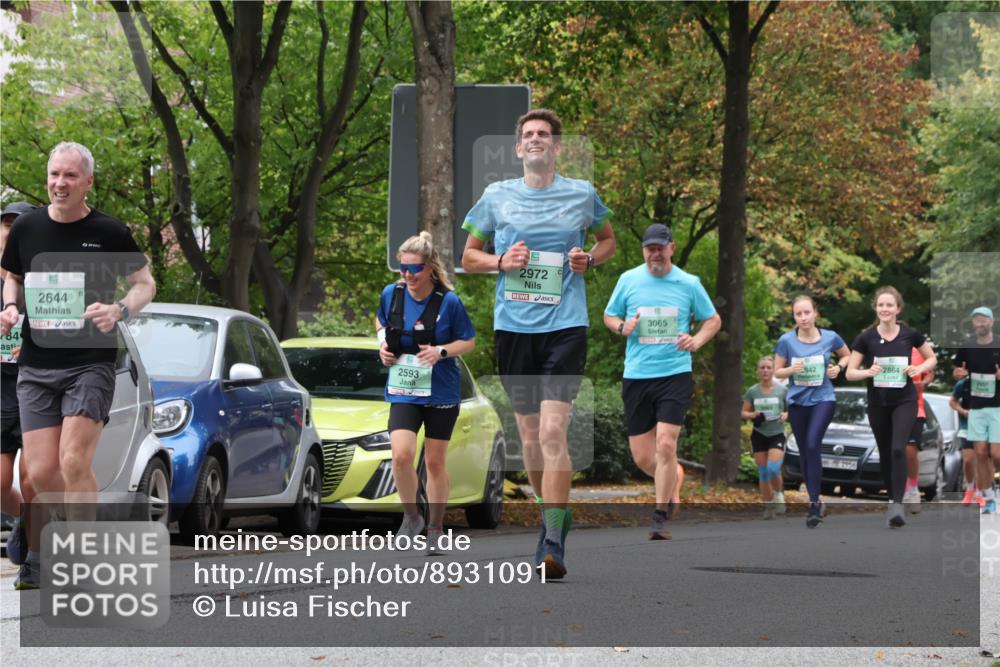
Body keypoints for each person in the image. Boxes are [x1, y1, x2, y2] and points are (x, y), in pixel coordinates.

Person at [461, 108, 615, 578]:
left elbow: (606, 241)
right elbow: (468, 256)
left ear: (557, 146)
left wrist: (589, 257)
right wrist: (501, 261)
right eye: (528, 134)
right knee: (529, 437)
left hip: (565, 327)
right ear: (517, 148)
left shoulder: (581, 194)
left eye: (543, 134)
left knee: (552, 433)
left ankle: (552, 540)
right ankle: (551, 513)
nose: (535, 140)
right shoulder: (496, 196)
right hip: (514, 329)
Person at [0, 142, 156, 589]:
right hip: (36, 365)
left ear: (88, 181)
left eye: (69, 176)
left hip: (89, 363)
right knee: (42, 472)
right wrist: (10, 307)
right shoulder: (28, 228)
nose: (59, 183)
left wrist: (120, 310)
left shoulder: (108, 232)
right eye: (53, 174)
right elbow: (13, 275)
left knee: (72, 461)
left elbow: (145, 284)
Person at [603, 223, 720, 540]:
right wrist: (621, 327)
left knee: (666, 444)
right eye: (649, 248)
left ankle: (659, 517)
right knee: (642, 457)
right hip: (637, 375)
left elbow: (713, 319)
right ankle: (674, 476)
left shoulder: (688, 283)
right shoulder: (628, 280)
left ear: (671, 247)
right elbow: (609, 316)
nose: (655, 253)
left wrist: (696, 341)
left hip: (675, 373)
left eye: (660, 247)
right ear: (644, 251)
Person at [377, 231, 475, 554]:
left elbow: (468, 342)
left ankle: (435, 526)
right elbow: (381, 326)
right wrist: (383, 350)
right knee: (402, 455)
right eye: (402, 268)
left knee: (434, 462)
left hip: (441, 391)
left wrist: (441, 352)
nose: (407, 275)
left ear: (430, 268)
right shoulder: (392, 295)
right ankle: (411, 517)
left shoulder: (449, 302)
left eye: (414, 269)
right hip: (404, 389)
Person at [846, 286, 936, 528]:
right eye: (880, 305)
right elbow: (850, 372)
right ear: (876, 308)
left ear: (898, 308)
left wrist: (919, 369)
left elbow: (932, 357)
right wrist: (868, 371)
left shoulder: (910, 334)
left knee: (899, 448)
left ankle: (897, 504)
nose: (885, 309)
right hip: (878, 403)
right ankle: (892, 498)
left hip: (904, 400)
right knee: (886, 452)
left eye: (889, 305)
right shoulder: (866, 337)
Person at [773, 295, 850, 528]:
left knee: (812, 444)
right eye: (799, 314)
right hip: (797, 401)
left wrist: (838, 368)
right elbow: (777, 372)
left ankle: (815, 504)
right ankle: (815, 500)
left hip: (823, 398)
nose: (804, 318)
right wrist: (790, 369)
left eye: (807, 312)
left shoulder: (830, 337)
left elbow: (847, 355)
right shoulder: (786, 341)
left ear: (816, 313)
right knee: (806, 453)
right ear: (794, 316)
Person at [1, 202, 36, 568]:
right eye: (5, 224)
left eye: (19, 225)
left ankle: (33, 536)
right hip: (0, 390)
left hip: (34, 384)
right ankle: (27, 519)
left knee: (30, 476)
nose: (10, 232)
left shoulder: (44, 280)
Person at [952, 306, 1000, 515]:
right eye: (976, 320)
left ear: (992, 322)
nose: (980, 323)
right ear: (973, 323)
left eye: (984, 319)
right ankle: (988, 497)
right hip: (976, 407)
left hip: (998, 406)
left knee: (996, 454)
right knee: (980, 453)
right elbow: (956, 371)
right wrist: (959, 373)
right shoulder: (968, 346)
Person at [741, 355, 789, 519]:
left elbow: (791, 410)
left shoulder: (782, 390)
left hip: (777, 433)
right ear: (758, 371)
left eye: (769, 367)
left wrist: (786, 414)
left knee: (773, 468)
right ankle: (768, 507)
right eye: (762, 367)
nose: (765, 370)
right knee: (763, 472)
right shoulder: (753, 391)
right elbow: (743, 412)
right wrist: (752, 414)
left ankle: (778, 494)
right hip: (759, 433)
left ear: (774, 370)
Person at [903, 346, 934, 513]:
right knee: (896, 450)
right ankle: (899, 490)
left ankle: (913, 489)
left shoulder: (918, 351)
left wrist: (924, 383)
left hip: (916, 408)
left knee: (910, 449)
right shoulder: (885, 347)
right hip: (893, 407)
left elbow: (930, 372)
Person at [949, 376, 978, 505]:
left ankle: (983, 490)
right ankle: (970, 489)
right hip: (967, 426)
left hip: (989, 426)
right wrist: (963, 411)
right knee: (968, 460)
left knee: (985, 459)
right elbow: (952, 402)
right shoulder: (963, 384)